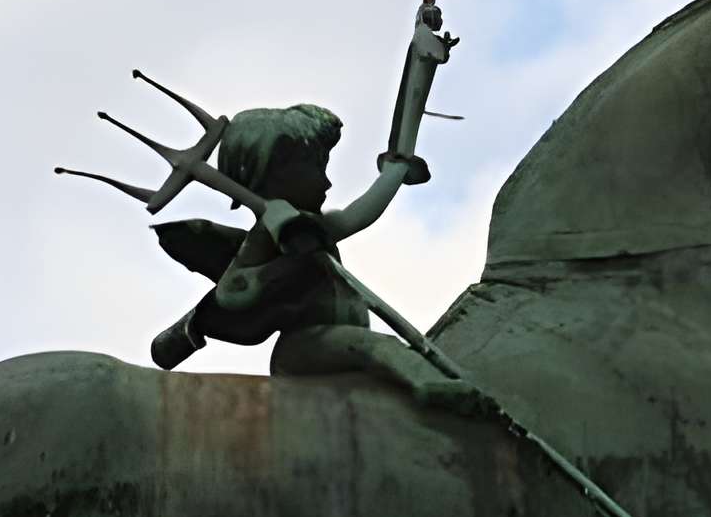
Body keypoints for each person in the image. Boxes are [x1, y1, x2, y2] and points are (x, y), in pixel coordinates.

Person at [147, 102, 490, 417]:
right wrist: (286, 262)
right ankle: (440, 391)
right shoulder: (271, 232)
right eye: (314, 168)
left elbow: (357, 215)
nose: (327, 181)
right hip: (306, 347)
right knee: (383, 349)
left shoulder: (308, 226)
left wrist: (394, 172)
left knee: (372, 348)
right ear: (275, 173)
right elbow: (233, 292)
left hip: (342, 338)